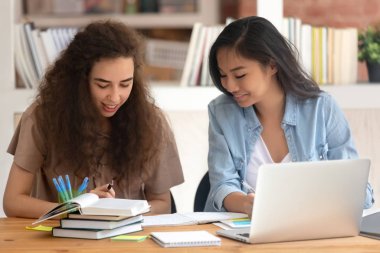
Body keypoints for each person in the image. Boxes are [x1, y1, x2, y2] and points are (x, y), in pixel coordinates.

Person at [3, 20, 184, 218]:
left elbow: (162, 204)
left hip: (127, 240)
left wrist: (122, 214)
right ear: (80, 80)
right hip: (60, 240)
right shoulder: (41, 119)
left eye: (125, 84)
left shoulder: (151, 122)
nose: (115, 97)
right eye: (103, 85)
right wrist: (76, 209)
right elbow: (13, 202)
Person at [204, 16, 374, 215]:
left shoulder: (322, 108)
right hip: (242, 233)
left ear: (272, 65)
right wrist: (248, 205)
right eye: (223, 75)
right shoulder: (222, 112)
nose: (230, 86)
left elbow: (358, 189)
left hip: (314, 232)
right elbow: (222, 186)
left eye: (240, 75)